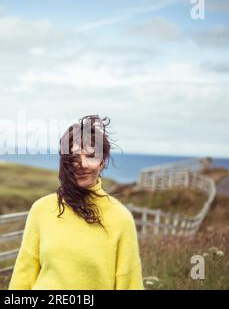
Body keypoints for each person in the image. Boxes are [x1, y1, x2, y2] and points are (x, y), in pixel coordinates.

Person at [8, 115, 144, 290]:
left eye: (91, 156)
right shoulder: (41, 209)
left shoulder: (120, 218)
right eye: (73, 157)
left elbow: (130, 283)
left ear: (102, 162)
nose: (82, 164)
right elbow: (23, 274)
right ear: (64, 162)